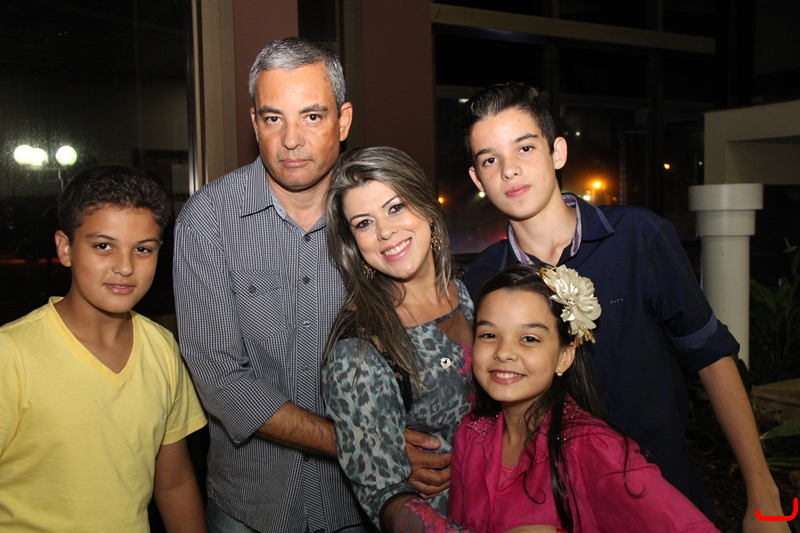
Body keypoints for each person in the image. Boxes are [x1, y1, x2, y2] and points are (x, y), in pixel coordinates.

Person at [462, 82, 788, 532]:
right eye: (490, 159)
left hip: (663, 497)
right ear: (477, 179)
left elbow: (712, 357)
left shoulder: (638, 237)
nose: (510, 170)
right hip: (552, 509)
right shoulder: (486, 277)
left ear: (557, 152)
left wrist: (763, 494)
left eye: (525, 148)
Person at [173, 38, 447, 533]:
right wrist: (368, 445)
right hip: (251, 508)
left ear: (343, 121)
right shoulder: (208, 221)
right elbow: (219, 378)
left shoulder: (381, 223)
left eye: (312, 116)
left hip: (364, 505)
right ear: (254, 122)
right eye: (273, 118)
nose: (291, 140)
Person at [0, 165, 207, 532]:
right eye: (103, 246)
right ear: (65, 248)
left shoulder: (161, 348)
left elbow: (173, 482)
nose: (125, 267)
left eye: (142, 249)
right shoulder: (11, 355)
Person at [449, 264, 720, 533]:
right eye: (489, 335)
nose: (504, 352)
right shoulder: (472, 436)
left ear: (564, 357)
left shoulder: (591, 448)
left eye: (529, 338)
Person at [322, 146, 476, 531]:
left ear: (426, 207)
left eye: (395, 207)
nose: (385, 232)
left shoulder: (471, 292)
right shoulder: (358, 351)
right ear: (352, 243)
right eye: (363, 223)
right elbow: (383, 495)